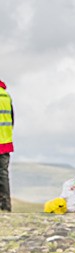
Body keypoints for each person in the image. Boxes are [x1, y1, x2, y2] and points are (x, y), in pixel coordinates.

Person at [0, 79, 14, 212]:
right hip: (5, 142)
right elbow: (12, 120)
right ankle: (6, 206)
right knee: (3, 175)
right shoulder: (6, 96)